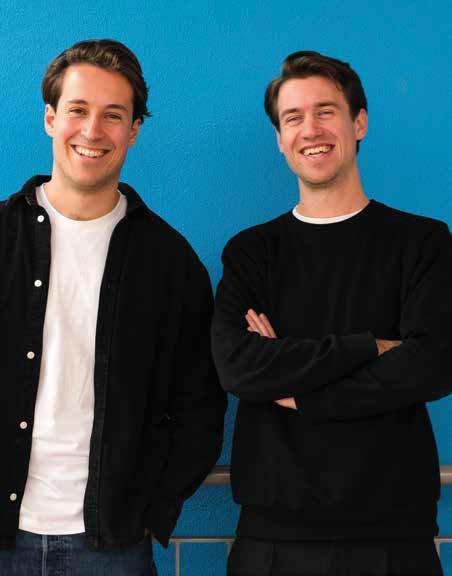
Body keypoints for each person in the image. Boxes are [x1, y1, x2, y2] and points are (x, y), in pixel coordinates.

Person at [0, 39, 226, 576]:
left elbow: (201, 403)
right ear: (50, 118)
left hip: (112, 548)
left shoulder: (169, 261)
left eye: (114, 115)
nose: (92, 130)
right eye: (78, 110)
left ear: (134, 130)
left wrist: (153, 508)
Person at [212, 50, 452, 575]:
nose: (310, 129)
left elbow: (432, 365)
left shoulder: (423, 243)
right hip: (272, 539)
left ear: (358, 122)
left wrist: (297, 388)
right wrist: (368, 348)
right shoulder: (252, 253)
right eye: (293, 118)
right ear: (280, 139)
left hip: (394, 536)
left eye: (326, 111)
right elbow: (238, 367)